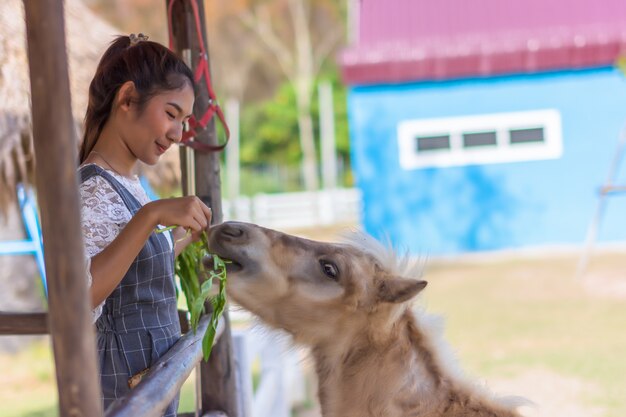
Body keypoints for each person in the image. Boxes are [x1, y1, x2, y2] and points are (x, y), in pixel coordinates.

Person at [77, 33, 212, 415]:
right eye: (171, 114)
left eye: (183, 121)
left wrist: (182, 238)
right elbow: (83, 294)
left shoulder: (129, 185)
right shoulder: (90, 188)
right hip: (120, 384)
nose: (177, 133)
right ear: (127, 98)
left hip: (148, 378)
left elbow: (132, 267)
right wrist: (151, 215)